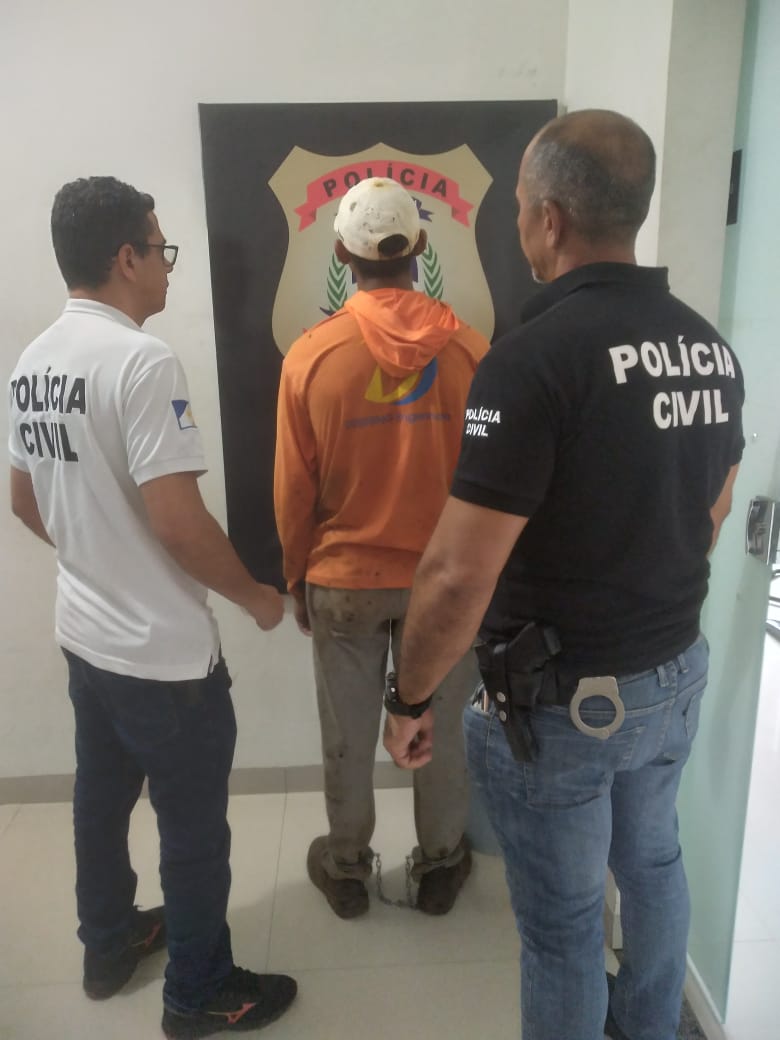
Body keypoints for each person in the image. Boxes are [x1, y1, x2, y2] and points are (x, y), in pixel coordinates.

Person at [383, 110, 744, 1040]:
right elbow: (712, 510)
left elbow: (456, 575)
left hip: (565, 707)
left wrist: (409, 695)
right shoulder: (710, 349)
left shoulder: (531, 361)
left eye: (518, 209)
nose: (518, 225)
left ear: (550, 218)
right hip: (674, 675)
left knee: (564, 926)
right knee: (654, 867)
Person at [7, 176, 297, 1039]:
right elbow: (178, 522)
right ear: (125, 258)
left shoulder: (34, 360)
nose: (170, 266)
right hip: (164, 658)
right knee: (193, 829)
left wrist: (96, 556)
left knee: (98, 804)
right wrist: (256, 598)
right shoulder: (141, 361)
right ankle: (199, 993)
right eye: (161, 250)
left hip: (85, 637)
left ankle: (107, 947)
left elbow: (23, 500)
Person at [274, 177, 489, 919]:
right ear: (419, 247)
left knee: (347, 732)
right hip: (446, 583)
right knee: (444, 729)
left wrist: (297, 579)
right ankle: (441, 865)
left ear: (342, 254)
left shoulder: (310, 356)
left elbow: (292, 491)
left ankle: (345, 868)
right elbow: (494, 486)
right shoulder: (472, 352)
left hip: (345, 580)